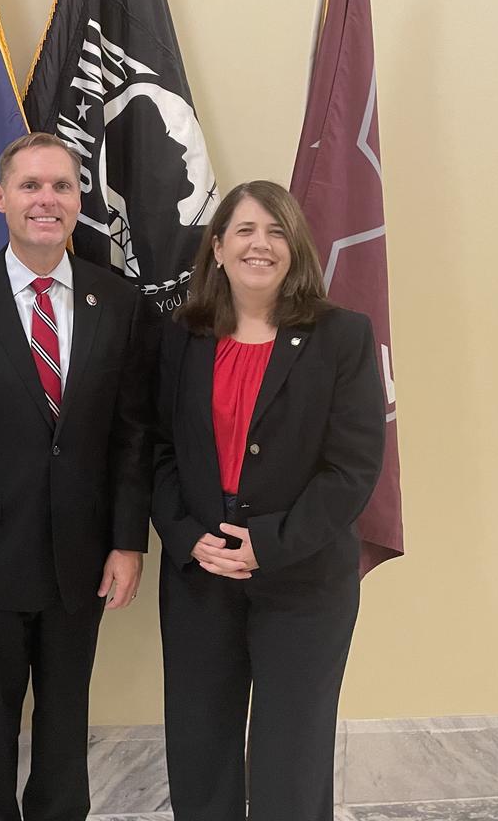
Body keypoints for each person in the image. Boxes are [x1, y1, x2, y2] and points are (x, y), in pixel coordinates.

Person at [0, 132, 152, 821]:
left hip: (82, 558)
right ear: (0, 198)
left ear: (79, 201)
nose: (46, 200)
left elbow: (133, 434)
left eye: (62, 186)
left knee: (65, 729)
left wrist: (128, 541)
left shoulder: (120, 302)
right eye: (30, 186)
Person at [151, 179, 386, 821]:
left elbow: (354, 466)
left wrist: (271, 543)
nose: (262, 244)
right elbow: (158, 452)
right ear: (218, 249)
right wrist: (185, 533)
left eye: (277, 231)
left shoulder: (343, 336)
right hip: (202, 575)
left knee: (292, 758)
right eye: (246, 231)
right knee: (200, 753)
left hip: (303, 580)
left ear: (296, 248)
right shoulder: (181, 336)